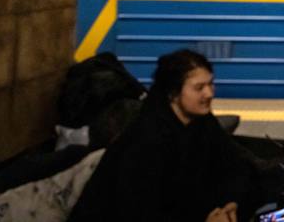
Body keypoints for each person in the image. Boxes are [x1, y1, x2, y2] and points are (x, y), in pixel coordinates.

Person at [68, 49, 254, 222]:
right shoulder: (146, 139)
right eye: (199, 88)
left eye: (210, 84)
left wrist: (231, 203)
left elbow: (234, 164)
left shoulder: (202, 122)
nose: (209, 93)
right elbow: (140, 211)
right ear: (173, 93)